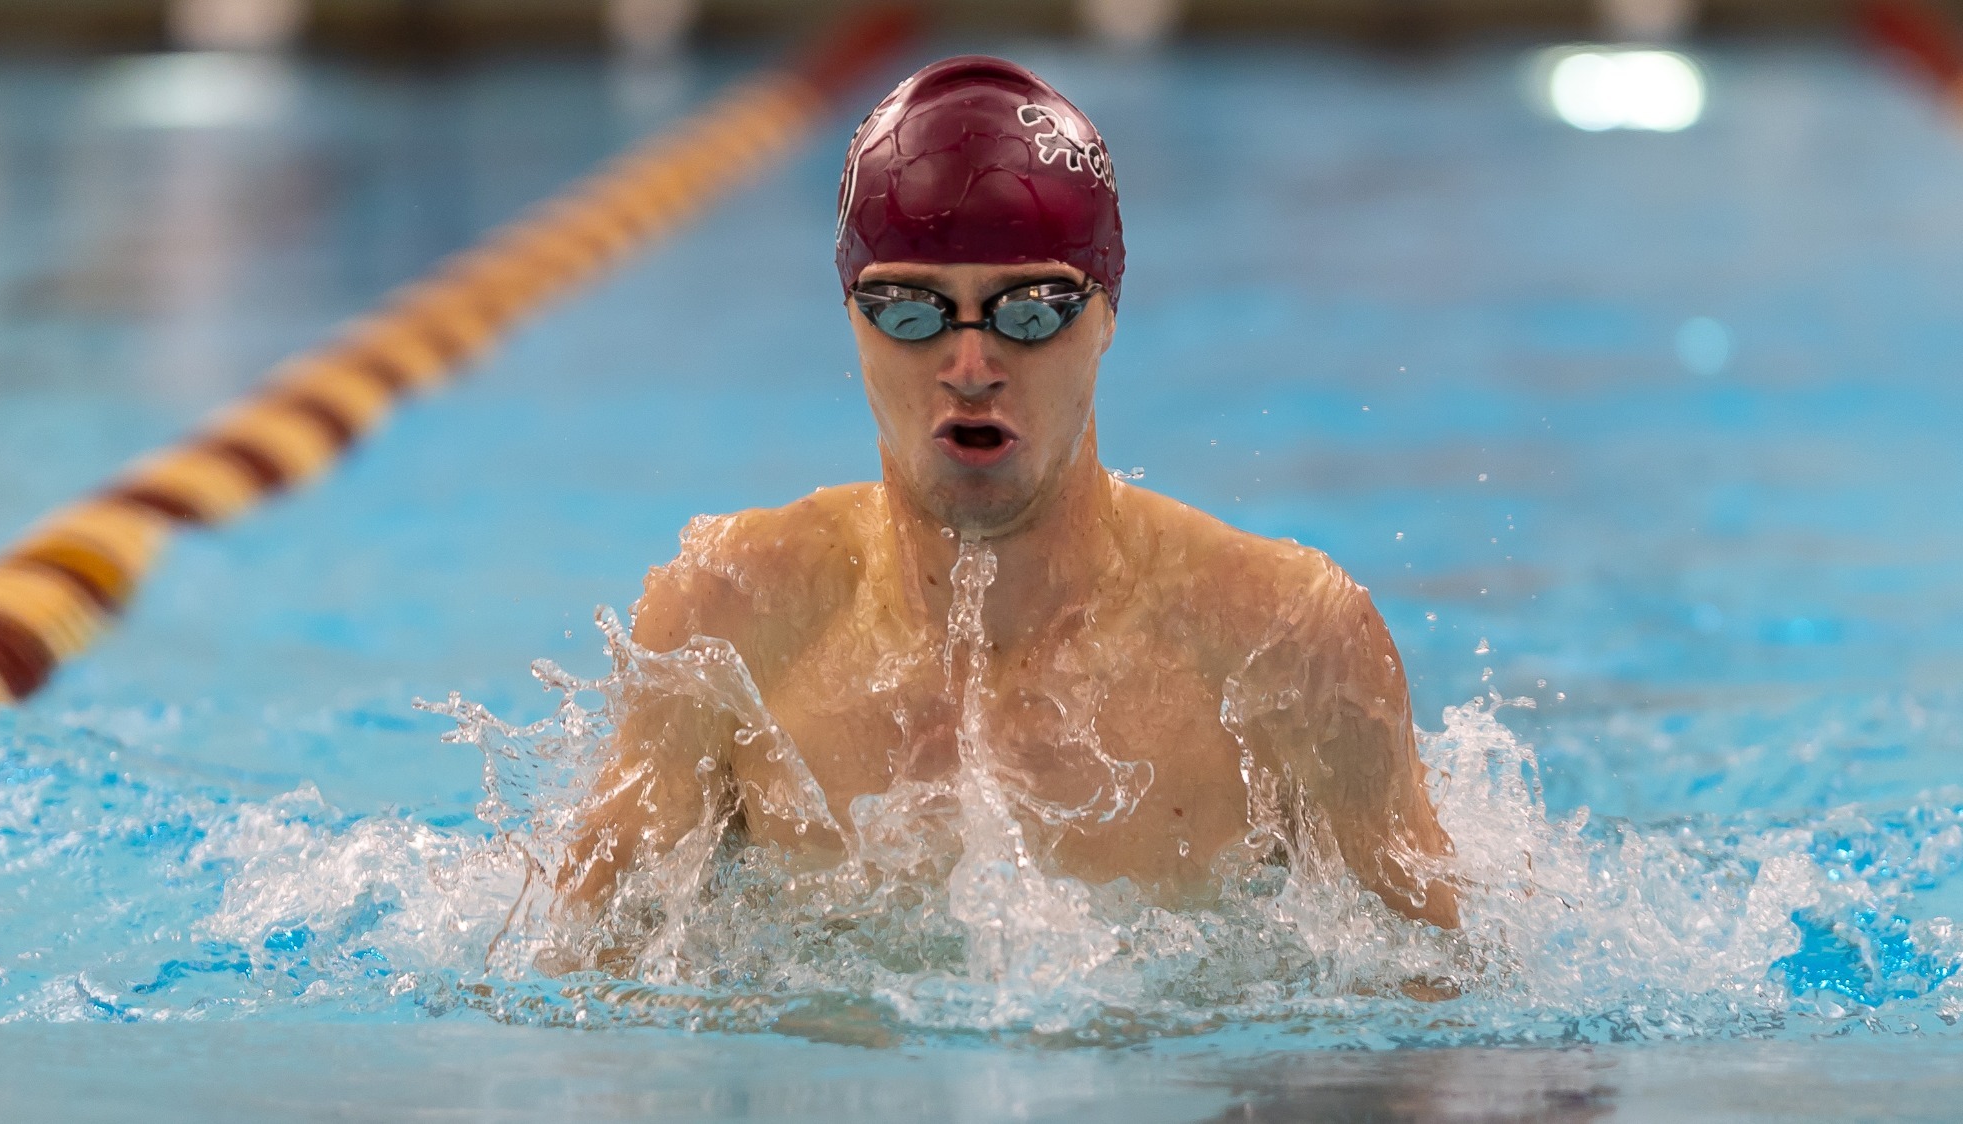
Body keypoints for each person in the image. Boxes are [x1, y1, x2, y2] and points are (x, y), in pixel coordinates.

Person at [562, 55, 1458, 928]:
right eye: (909, 310)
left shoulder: (1285, 644)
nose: (970, 366)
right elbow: (580, 993)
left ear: (1107, 313)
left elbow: (1440, 1010)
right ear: (852, 320)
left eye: (1030, 309)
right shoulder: (730, 621)